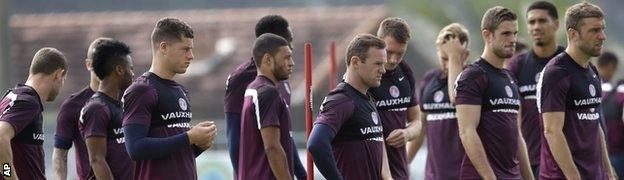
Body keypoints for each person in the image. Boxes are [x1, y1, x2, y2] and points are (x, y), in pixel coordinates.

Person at [122, 17, 216, 180]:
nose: (191, 56)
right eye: (185, 49)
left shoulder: (181, 91)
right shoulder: (142, 90)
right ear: (164, 47)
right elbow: (135, 149)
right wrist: (190, 137)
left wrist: (199, 145)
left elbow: (175, 154)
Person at [537, 2, 616, 179]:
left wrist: (608, 172)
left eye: (602, 29)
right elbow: (552, 131)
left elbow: (595, 125)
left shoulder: (592, 71)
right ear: (573, 34)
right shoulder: (556, 73)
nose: (602, 36)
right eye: (594, 31)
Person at [455, 6, 533, 179]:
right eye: (506, 34)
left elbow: (516, 134)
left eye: (515, 33)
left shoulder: (509, 77)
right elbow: (467, 132)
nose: (513, 39)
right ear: (487, 35)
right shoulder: (473, 75)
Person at [224, 14, 306, 179]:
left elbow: (285, 136)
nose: (291, 48)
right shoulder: (241, 79)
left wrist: (302, 174)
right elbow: (235, 136)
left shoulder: (280, 80)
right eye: (288, 41)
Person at [308, 34, 392, 180]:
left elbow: (377, 142)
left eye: (383, 64)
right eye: (378, 64)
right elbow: (316, 144)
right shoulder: (341, 100)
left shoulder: (368, 99)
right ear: (355, 62)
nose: (383, 70)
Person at [505, 1, 565, 178]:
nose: (536, 26)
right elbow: (509, 115)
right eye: (532, 22)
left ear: (556, 24)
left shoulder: (568, 63)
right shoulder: (518, 65)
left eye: (542, 21)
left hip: (564, 160)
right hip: (529, 160)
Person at [0, 47, 68, 180]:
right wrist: (9, 177)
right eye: (63, 80)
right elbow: (0, 138)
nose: (62, 85)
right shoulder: (28, 101)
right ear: (58, 74)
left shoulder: (12, 97)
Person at [368, 17, 421, 180]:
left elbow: (417, 120)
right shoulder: (365, 75)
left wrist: (407, 133)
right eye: (389, 52)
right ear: (378, 42)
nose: (393, 60)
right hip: (371, 170)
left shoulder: (405, 72)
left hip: (399, 171)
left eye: (400, 53)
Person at [414, 23, 469, 179]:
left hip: (463, 174)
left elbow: (455, 97)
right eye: (444, 58)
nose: (447, 64)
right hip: (433, 175)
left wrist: (454, 60)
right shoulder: (429, 79)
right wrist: (404, 163)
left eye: (451, 58)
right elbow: (421, 126)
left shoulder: (473, 79)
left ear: (465, 54)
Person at [238, 33, 295, 180]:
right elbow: (272, 147)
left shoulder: (253, 89)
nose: (291, 63)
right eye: (286, 57)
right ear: (268, 59)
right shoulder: (268, 93)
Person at [53, 37, 111, 180]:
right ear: (88, 64)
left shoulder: (129, 100)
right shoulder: (73, 106)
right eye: (99, 61)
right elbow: (60, 154)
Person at [80, 39, 135, 179]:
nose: (133, 74)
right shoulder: (96, 108)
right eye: (131, 69)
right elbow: (97, 160)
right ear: (120, 70)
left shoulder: (123, 105)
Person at [596, 51, 624, 179]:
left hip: (593, 152)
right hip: (616, 151)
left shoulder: (588, 87)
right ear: (611, 66)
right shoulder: (620, 92)